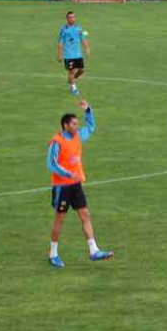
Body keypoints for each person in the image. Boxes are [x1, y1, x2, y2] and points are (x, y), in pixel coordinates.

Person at [46, 100, 113, 268]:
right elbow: (52, 164)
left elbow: (90, 127)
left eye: (77, 124)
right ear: (65, 125)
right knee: (60, 219)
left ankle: (93, 250)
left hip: (76, 185)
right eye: (74, 124)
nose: (77, 127)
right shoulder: (56, 142)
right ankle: (53, 254)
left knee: (85, 215)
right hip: (62, 187)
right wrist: (69, 174)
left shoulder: (77, 136)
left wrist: (88, 110)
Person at [57, 11, 91, 95]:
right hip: (68, 55)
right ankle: (73, 88)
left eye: (73, 17)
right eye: (70, 17)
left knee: (82, 70)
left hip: (78, 54)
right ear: (67, 19)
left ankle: (72, 80)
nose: (72, 19)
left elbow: (82, 39)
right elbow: (60, 42)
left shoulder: (78, 27)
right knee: (71, 71)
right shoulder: (64, 29)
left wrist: (87, 48)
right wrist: (59, 55)